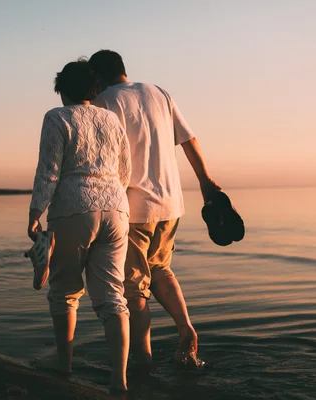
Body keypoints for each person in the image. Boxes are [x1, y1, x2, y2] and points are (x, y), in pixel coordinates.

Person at [89, 50, 221, 369]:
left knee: (134, 289)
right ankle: (185, 328)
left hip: (133, 208)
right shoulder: (158, 92)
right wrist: (205, 182)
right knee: (160, 269)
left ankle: (143, 360)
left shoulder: (103, 102)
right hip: (171, 203)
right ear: (123, 69)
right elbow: (189, 140)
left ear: (96, 78)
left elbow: (102, 162)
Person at [27, 59, 132, 392]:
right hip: (116, 207)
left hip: (74, 208)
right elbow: (125, 168)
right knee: (114, 298)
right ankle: (120, 380)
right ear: (94, 90)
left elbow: (49, 170)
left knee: (65, 292)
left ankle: (65, 366)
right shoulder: (112, 119)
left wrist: (35, 211)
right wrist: (112, 195)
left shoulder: (57, 117)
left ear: (62, 90)